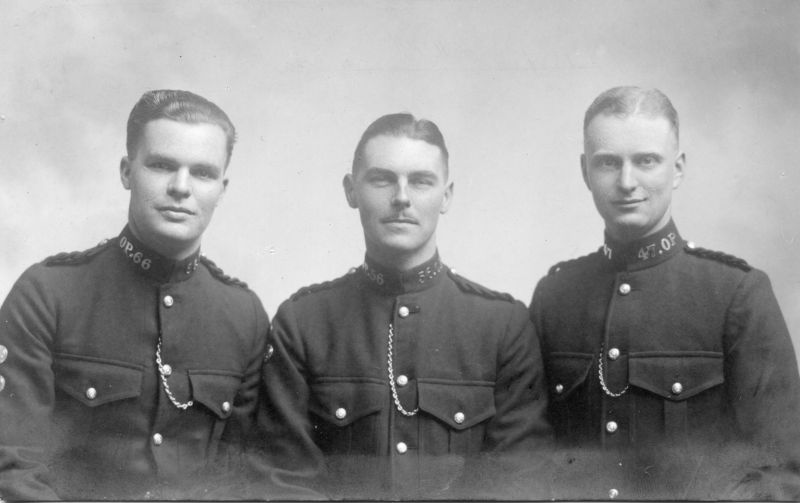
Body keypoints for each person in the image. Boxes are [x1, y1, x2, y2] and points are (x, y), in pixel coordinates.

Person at [254, 113, 551, 499]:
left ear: (446, 196)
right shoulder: (302, 323)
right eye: (382, 179)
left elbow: (518, 479)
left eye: (421, 181)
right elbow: (285, 481)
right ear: (351, 190)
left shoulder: (503, 326)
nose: (402, 197)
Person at [530, 86, 800, 500]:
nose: (626, 182)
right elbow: (528, 460)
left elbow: (781, 472)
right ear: (585, 171)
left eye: (646, 161)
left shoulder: (736, 293)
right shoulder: (555, 296)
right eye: (608, 163)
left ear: (677, 169)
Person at [0, 89, 269, 500]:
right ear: (127, 171)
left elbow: (240, 476)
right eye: (161, 166)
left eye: (202, 172)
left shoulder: (243, 315)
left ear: (222, 188)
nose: (181, 187)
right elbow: (14, 465)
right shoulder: (48, 294)